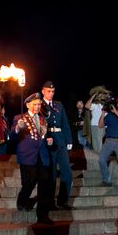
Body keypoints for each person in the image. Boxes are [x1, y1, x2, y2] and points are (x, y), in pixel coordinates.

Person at [10, 93, 55, 225]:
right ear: (28, 105)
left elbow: (43, 137)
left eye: (39, 104)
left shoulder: (43, 120)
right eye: (35, 104)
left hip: (42, 156)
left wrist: (49, 141)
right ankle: (22, 200)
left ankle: (43, 215)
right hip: (28, 156)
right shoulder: (20, 118)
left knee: (44, 184)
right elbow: (12, 135)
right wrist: (18, 127)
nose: (37, 106)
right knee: (29, 182)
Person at [40, 81, 74, 210]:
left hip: (60, 141)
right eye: (48, 91)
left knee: (67, 172)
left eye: (53, 91)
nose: (51, 94)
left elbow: (65, 123)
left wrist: (69, 140)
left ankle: (63, 200)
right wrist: (45, 136)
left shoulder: (58, 105)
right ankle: (50, 202)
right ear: (43, 91)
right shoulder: (39, 105)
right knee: (51, 173)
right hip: (49, 141)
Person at [84, 85, 112, 152]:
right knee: (97, 143)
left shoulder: (107, 106)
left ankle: (100, 157)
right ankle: (98, 158)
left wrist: (108, 96)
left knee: (100, 143)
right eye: (101, 95)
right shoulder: (95, 105)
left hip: (105, 126)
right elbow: (87, 106)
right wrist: (93, 96)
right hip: (96, 125)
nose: (103, 96)